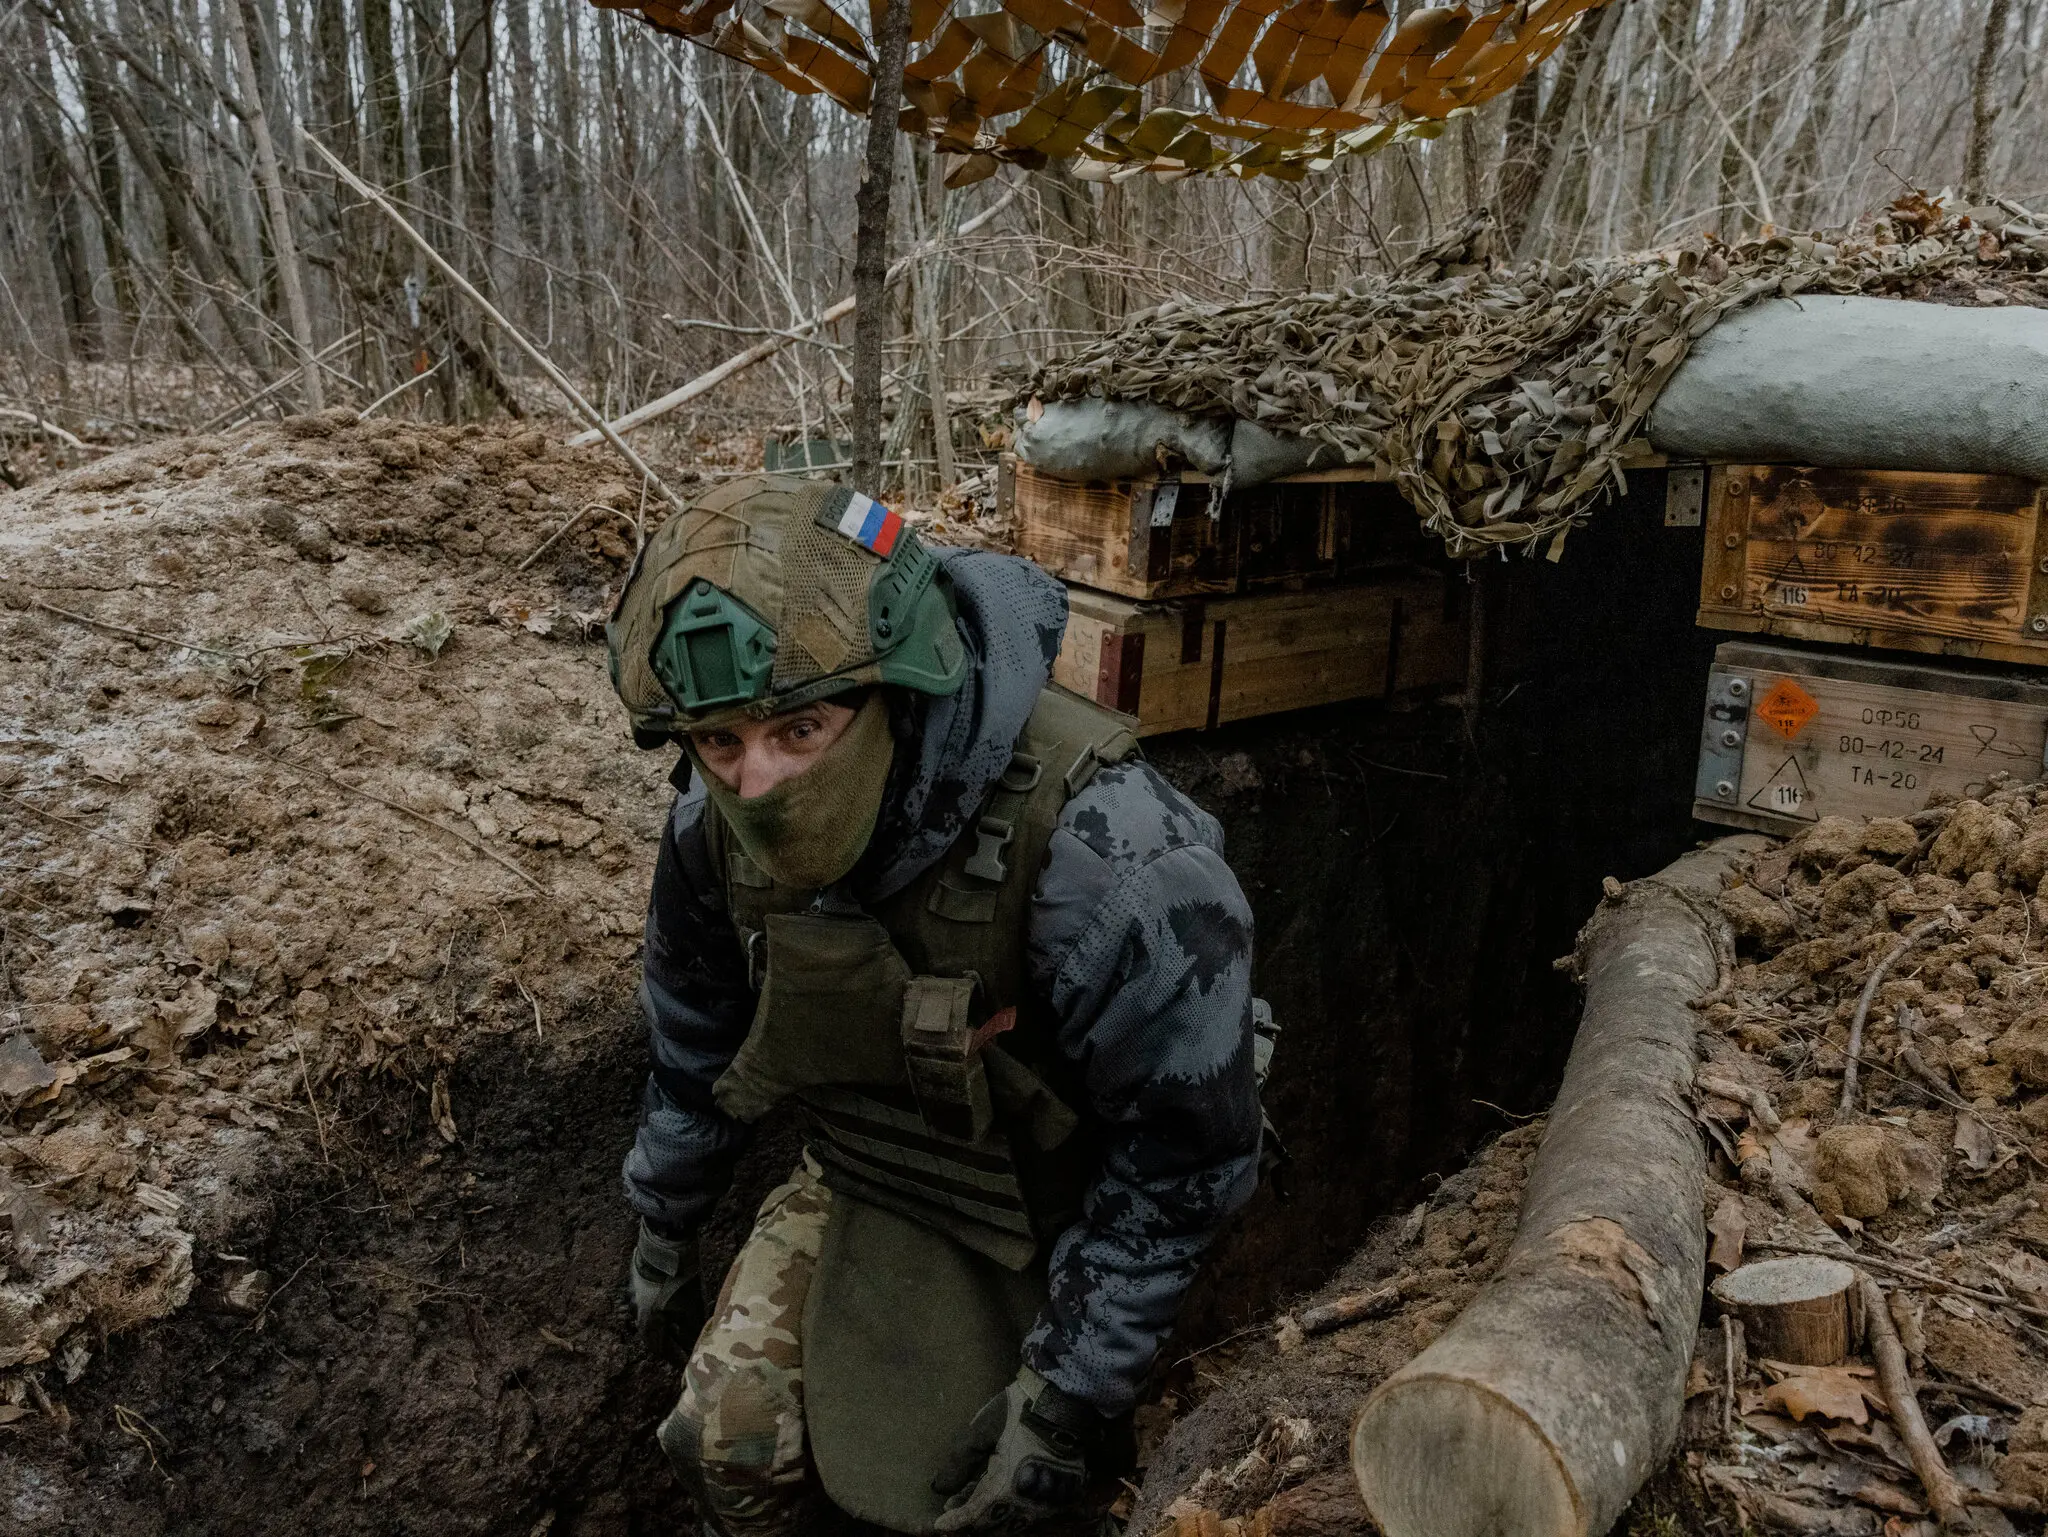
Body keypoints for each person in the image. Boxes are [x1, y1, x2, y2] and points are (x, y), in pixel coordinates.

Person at [605, 474, 1261, 1536]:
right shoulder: (709, 832)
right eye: (719, 744)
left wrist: (1066, 1400)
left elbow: (1186, 1163)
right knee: (723, 1436)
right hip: (871, 1168)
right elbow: (693, 1046)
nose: (756, 783)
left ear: (898, 692)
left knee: (1000, 1502)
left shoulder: (1112, 861)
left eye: (799, 730)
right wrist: (664, 1224)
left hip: (1076, 1208)